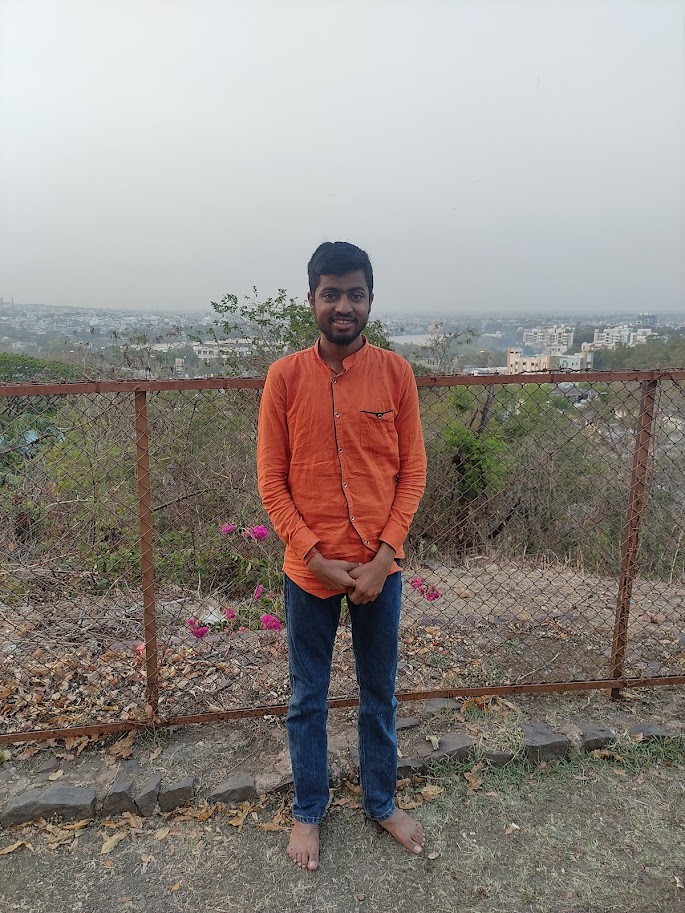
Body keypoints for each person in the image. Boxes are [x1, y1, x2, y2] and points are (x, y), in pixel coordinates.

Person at [256, 241, 427, 871]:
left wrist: (384, 559)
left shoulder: (396, 374)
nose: (343, 306)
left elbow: (412, 474)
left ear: (371, 301)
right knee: (307, 697)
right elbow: (272, 483)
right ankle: (308, 810)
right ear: (312, 300)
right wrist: (315, 557)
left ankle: (381, 801)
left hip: (383, 569)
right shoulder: (285, 378)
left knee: (378, 693)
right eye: (331, 293)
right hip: (310, 572)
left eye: (355, 293)